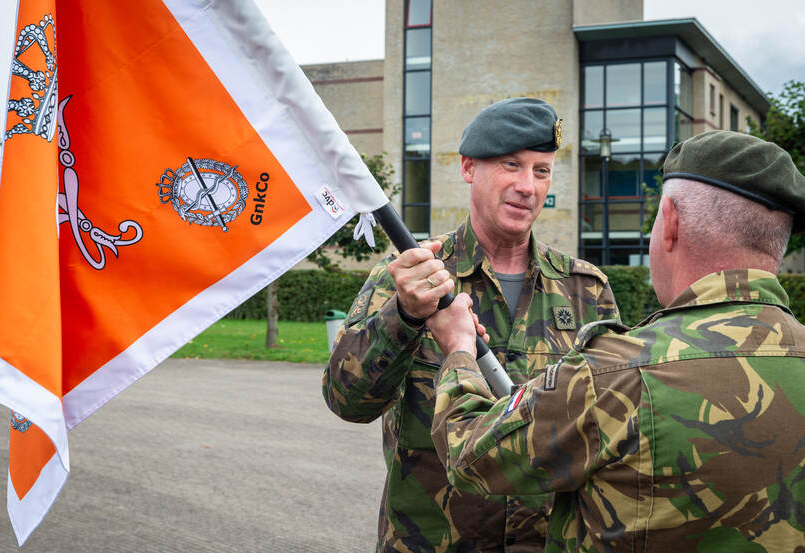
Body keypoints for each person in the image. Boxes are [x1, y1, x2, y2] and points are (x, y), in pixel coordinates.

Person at [428, 130, 805, 552]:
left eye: (540, 171)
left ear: (671, 221)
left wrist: (459, 348)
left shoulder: (614, 373)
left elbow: (469, 454)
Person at [323, 97, 620, 552]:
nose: (528, 186)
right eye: (511, 165)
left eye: (541, 171)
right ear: (468, 169)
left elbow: (612, 426)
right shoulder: (410, 276)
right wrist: (403, 316)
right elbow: (348, 401)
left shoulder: (585, 290)